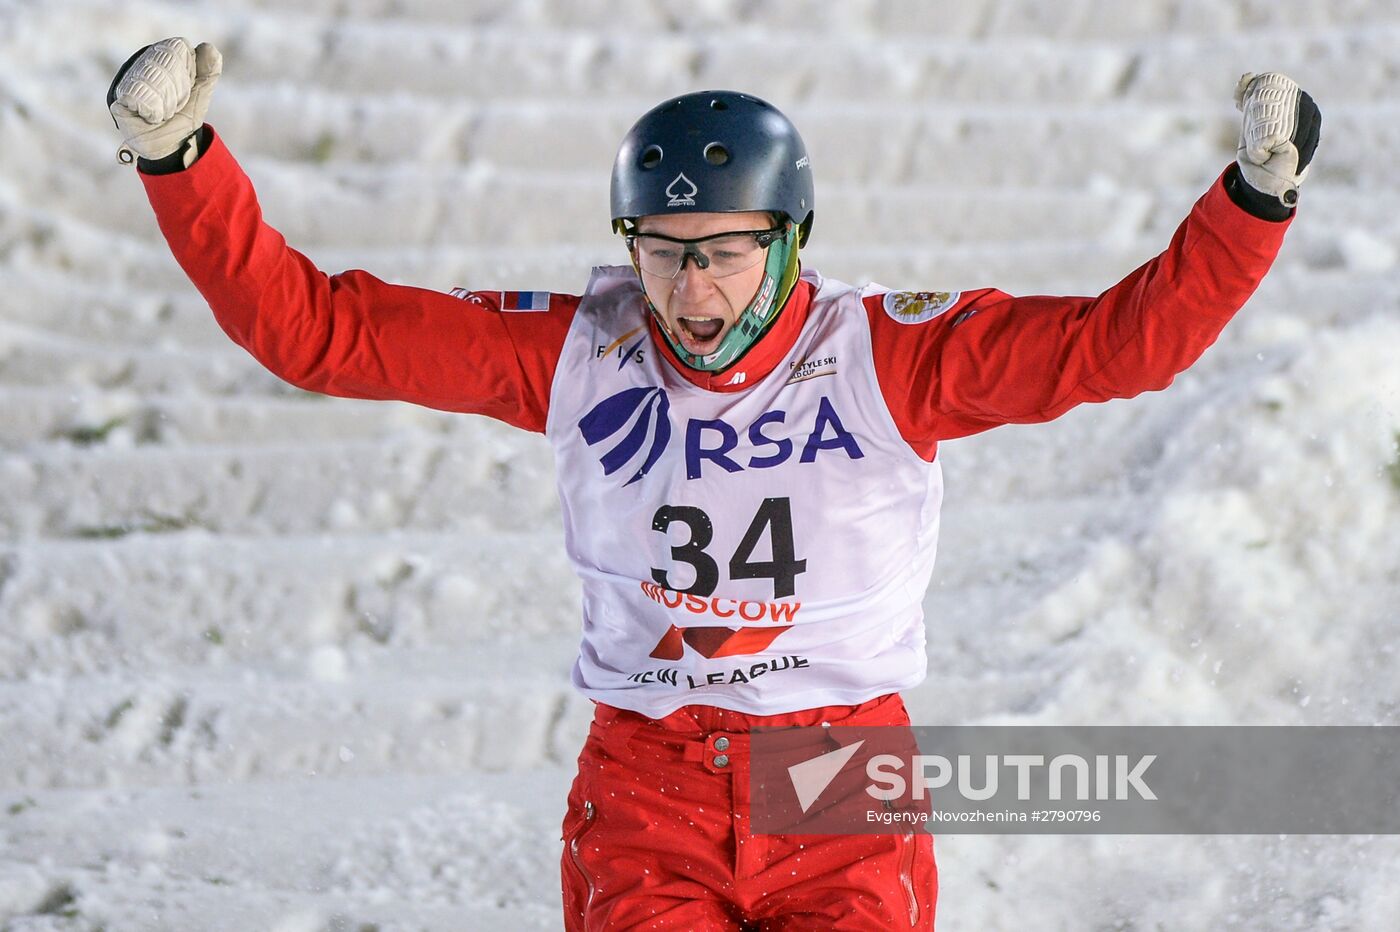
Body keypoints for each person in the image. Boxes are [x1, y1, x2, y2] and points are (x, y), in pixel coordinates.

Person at [108, 37, 1319, 931]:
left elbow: (1121, 344)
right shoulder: (581, 344)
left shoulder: (886, 352)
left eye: (728, 252)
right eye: (663, 252)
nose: (692, 291)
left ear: (790, 239)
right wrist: (178, 159)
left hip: (840, 772)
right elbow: (318, 331)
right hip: (648, 780)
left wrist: (1252, 202)